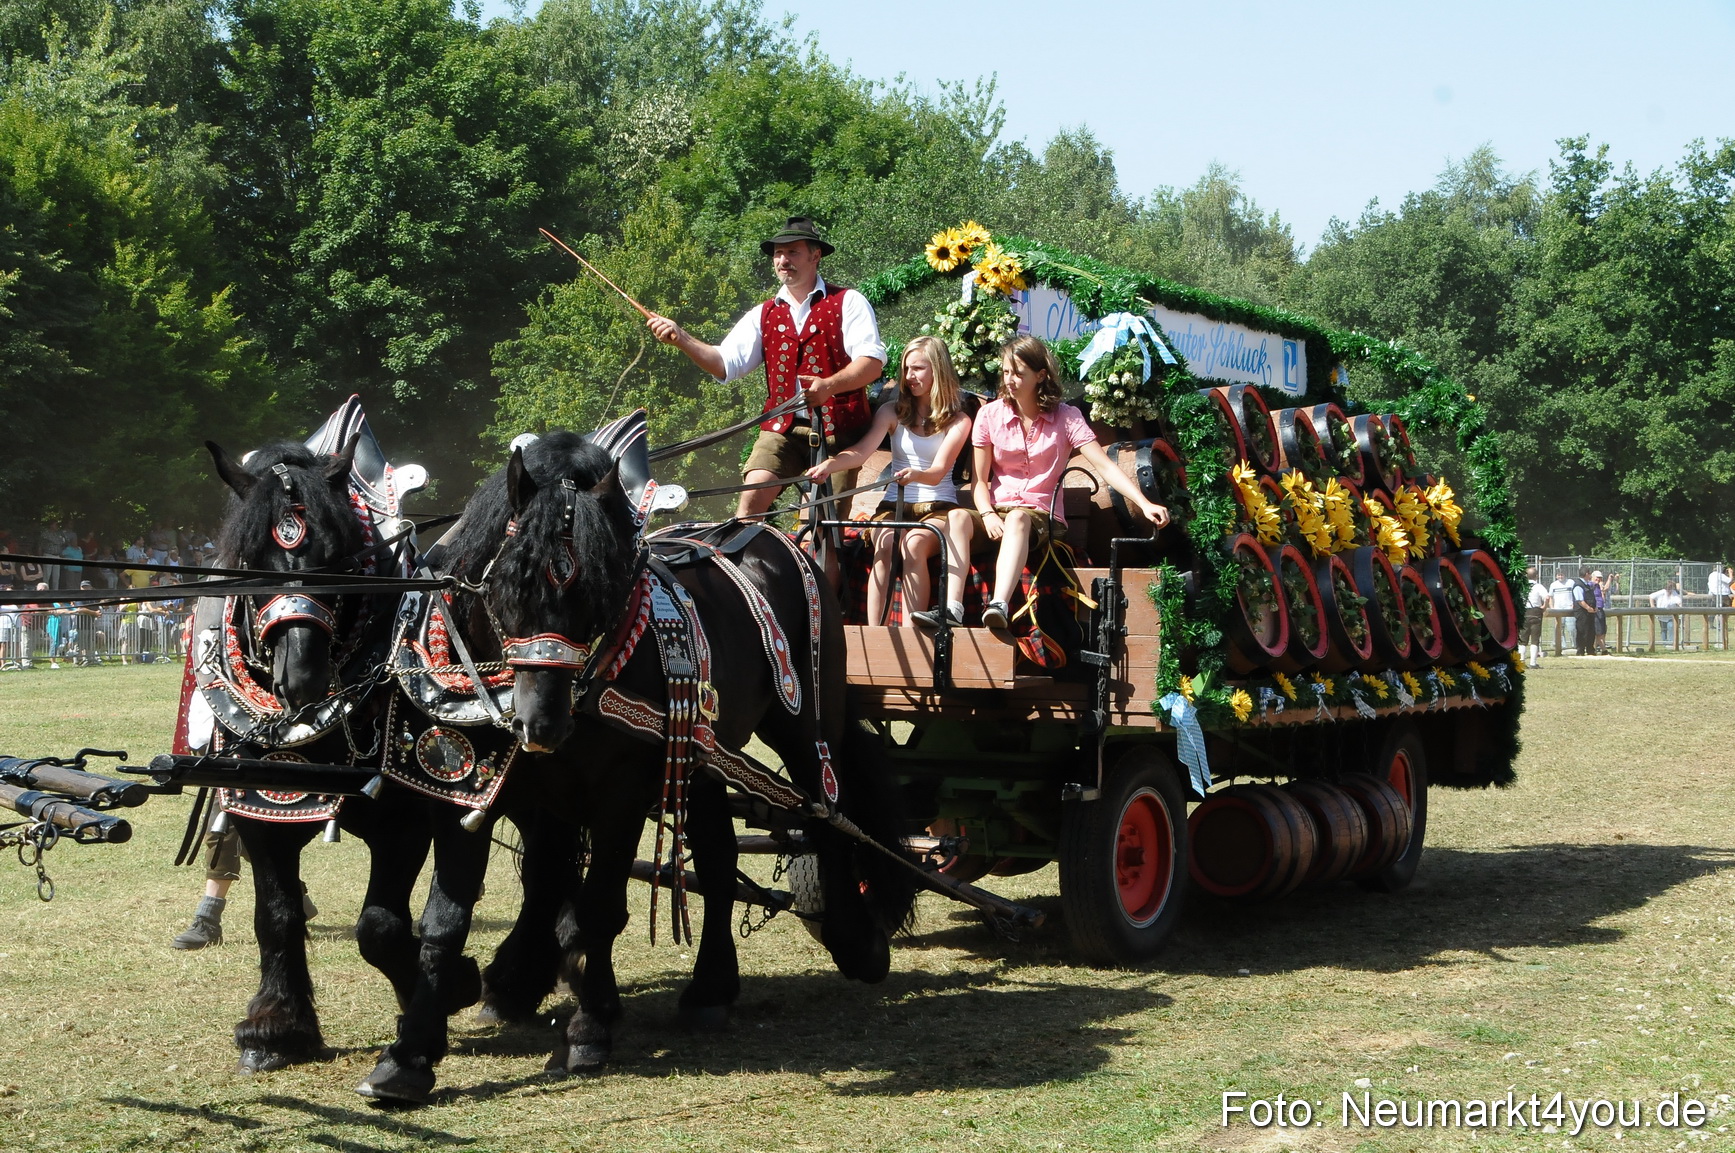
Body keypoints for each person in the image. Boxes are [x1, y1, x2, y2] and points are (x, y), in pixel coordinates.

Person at [646, 216, 886, 518]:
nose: (783, 260)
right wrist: (682, 339)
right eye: (777, 253)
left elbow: (872, 364)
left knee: (825, 528)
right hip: (782, 430)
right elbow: (725, 364)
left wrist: (829, 386)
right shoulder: (764, 314)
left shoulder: (848, 302)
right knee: (750, 501)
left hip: (841, 435)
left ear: (816, 255)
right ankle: (747, 563)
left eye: (792, 252)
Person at [971, 335, 1171, 629]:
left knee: (1017, 519)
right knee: (957, 520)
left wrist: (1143, 502)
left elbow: (1103, 465)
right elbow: (978, 481)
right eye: (1005, 372)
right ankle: (950, 609)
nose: (1009, 380)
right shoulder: (989, 414)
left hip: (1041, 516)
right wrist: (987, 513)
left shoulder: (1066, 417)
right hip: (996, 511)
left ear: (1040, 376)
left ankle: (998, 605)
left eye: (1018, 373)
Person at [805, 336, 975, 627]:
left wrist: (916, 476)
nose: (910, 376)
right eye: (906, 369)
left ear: (938, 370)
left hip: (937, 509)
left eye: (918, 368)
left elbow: (937, 471)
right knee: (883, 546)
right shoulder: (891, 412)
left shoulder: (958, 420)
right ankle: (875, 635)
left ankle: (912, 634)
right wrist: (830, 465)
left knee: (914, 545)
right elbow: (860, 452)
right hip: (892, 506)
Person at [1547, 567, 1581, 654]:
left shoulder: (1571, 582)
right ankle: (1562, 645)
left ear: (1565, 575)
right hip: (1558, 610)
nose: (1560, 577)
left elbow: (1575, 594)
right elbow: (1550, 597)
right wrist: (1552, 607)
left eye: (1562, 575)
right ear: (1556, 576)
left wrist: (1574, 604)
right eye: (1558, 575)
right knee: (1559, 628)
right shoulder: (1553, 585)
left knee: (1571, 628)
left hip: (1569, 609)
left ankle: (1574, 644)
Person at [1522, 564, 1547, 668]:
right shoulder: (1538, 586)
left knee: (1522, 639)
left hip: (1524, 612)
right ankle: (1533, 662)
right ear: (1536, 576)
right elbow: (1547, 596)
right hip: (1536, 612)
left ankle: (1521, 661)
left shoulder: (1522, 587)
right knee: (1535, 638)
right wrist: (1544, 606)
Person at [1650, 579, 1682, 647]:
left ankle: (1671, 642)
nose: (1669, 590)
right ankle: (1664, 644)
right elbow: (1651, 596)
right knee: (1663, 629)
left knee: (1671, 626)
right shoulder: (1661, 592)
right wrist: (1653, 606)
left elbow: (1678, 601)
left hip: (1670, 616)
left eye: (1671, 588)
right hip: (1661, 615)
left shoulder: (1674, 593)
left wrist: (1680, 606)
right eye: (1668, 588)